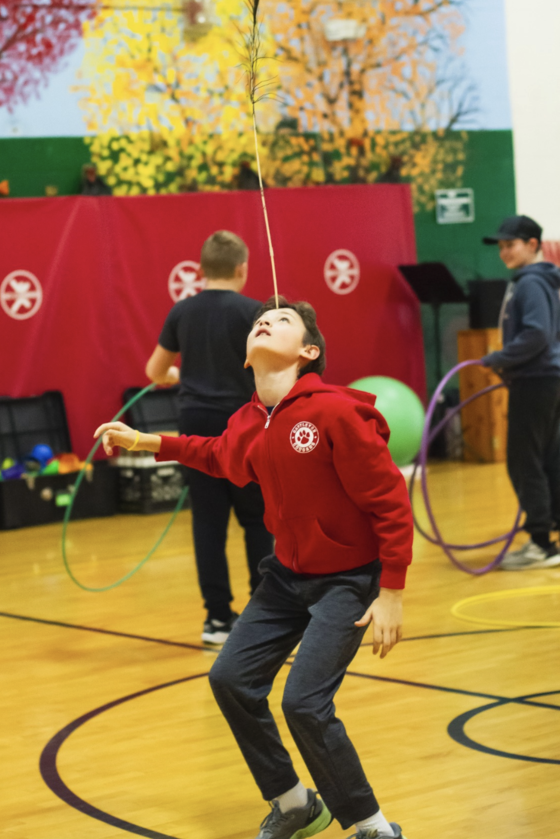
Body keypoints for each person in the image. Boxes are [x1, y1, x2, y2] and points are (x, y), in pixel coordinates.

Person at [97, 297, 412, 839]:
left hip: (347, 579)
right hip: (286, 577)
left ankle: (373, 826)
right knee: (231, 680)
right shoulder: (250, 420)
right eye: (260, 322)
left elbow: (390, 501)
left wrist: (392, 592)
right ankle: (295, 803)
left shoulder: (335, 412)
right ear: (247, 356)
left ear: (308, 351)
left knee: (305, 704)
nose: (265, 321)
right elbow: (219, 453)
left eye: (283, 320)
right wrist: (149, 440)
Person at [145, 230, 273, 645]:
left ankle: (217, 620)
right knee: (256, 518)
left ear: (201, 270)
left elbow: (154, 372)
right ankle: (263, 613)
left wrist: (179, 375)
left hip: (196, 421)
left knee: (208, 522)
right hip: (243, 424)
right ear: (242, 269)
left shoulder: (182, 311)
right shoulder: (253, 312)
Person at [482, 214, 560, 569]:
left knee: (524, 460)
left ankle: (541, 544)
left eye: (510, 245)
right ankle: (549, 536)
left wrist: (499, 358)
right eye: (500, 247)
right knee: (549, 457)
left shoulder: (530, 283)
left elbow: (537, 335)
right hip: (547, 378)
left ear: (532, 244)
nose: (503, 253)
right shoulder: (544, 281)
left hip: (535, 378)